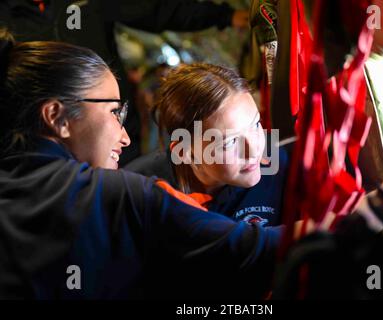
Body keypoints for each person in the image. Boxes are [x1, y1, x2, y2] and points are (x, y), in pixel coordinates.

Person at [0, 30, 280, 299]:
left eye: (256, 125)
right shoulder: (116, 194)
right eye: (113, 112)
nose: (124, 136)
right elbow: (247, 249)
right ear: (56, 117)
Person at [0, 0, 249, 165]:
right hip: (41, 145)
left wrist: (228, 16)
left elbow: (153, 8)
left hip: (110, 129)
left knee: (122, 204)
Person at [126, 63, 289, 227]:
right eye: (230, 142)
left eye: (255, 125)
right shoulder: (143, 191)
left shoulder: (281, 164)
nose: (253, 150)